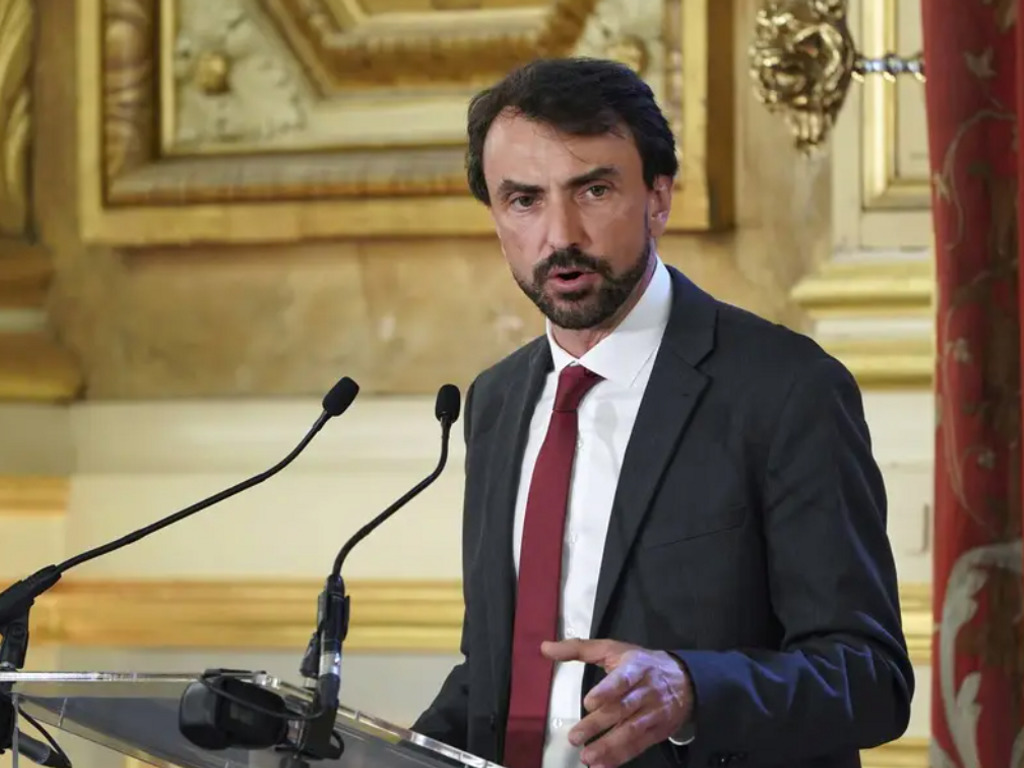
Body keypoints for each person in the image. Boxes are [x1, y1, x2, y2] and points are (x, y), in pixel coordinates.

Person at [412, 57, 913, 768]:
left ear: (658, 197)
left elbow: (869, 678)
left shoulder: (786, 389)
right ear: (496, 217)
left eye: (593, 190)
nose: (560, 235)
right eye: (523, 200)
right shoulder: (496, 401)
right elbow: (500, 674)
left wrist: (691, 689)